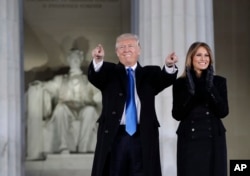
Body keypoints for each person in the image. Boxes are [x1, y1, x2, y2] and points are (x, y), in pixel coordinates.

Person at [88, 33, 178, 176]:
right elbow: (95, 76)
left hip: (143, 135)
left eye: (130, 46)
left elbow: (165, 79)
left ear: (139, 50)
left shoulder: (150, 73)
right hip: (115, 135)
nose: (126, 49)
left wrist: (168, 65)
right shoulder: (108, 71)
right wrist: (98, 60)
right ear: (117, 52)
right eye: (122, 47)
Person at [26, 49, 101, 159]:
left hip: (83, 107)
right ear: (68, 60)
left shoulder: (88, 80)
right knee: (60, 108)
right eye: (72, 58)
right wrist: (40, 84)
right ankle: (63, 146)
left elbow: (99, 92)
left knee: (90, 110)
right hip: (66, 108)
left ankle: (83, 147)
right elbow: (49, 86)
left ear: (81, 60)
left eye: (77, 58)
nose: (75, 60)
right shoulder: (60, 79)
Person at [171, 42, 229, 176]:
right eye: (199, 55)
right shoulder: (180, 84)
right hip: (189, 141)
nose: (204, 59)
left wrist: (211, 87)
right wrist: (191, 92)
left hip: (214, 139)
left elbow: (223, 111)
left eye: (206, 55)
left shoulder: (219, 82)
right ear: (191, 58)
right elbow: (177, 114)